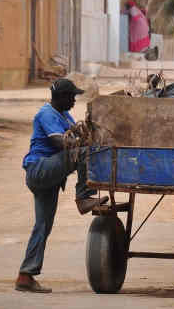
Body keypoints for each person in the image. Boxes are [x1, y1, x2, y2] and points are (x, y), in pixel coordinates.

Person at [15, 79, 106, 294]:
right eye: (71, 97)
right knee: (83, 153)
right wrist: (85, 143)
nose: (74, 100)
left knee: (43, 226)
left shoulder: (65, 116)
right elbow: (61, 142)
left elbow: (77, 134)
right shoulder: (46, 114)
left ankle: (25, 276)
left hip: (50, 176)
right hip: (39, 170)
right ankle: (83, 197)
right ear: (61, 97)